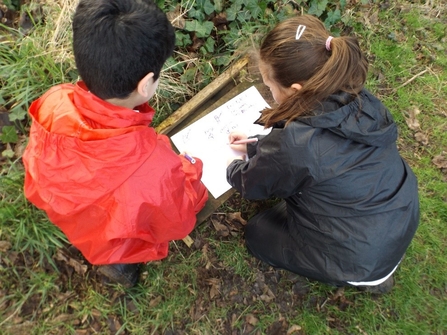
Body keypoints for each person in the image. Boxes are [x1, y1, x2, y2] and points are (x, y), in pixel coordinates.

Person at [226, 15, 419, 294]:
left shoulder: (296, 144)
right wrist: (257, 145)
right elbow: (317, 151)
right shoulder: (354, 97)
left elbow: (253, 184)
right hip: (399, 216)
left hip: (360, 255)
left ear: (295, 90)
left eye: (270, 87)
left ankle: (364, 277)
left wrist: (230, 166)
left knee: (259, 232)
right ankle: (375, 263)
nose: (270, 93)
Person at [22, 0, 208, 287]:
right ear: (146, 84)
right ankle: (122, 266)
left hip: (67, 213)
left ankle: (112, 262)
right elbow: (179, 220)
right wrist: (191, 168)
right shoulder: (152, 167)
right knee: (121, 246)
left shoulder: (54, 100)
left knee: (95, 231)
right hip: (114, 235)